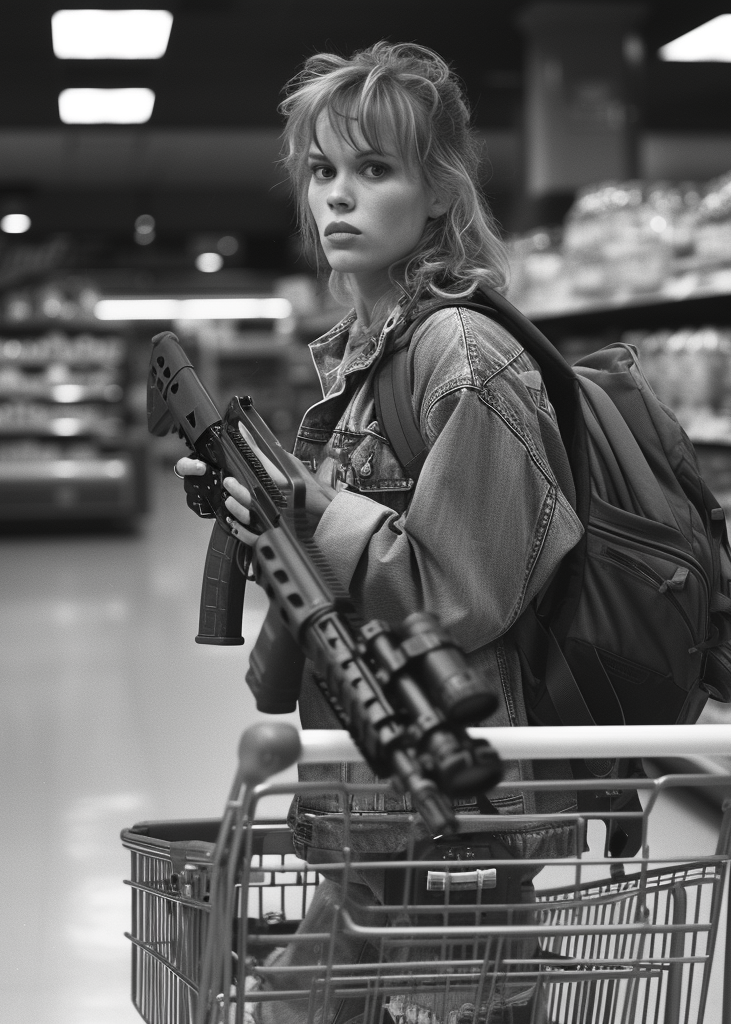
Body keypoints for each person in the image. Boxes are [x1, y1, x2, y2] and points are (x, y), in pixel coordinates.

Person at [177, 42, 583, 1024]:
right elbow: (353, 566)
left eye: (374, 169)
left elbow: (459, 595)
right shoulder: (370, 345)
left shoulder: (461, 354)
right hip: (377, 795)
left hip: (454, 816)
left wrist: (312, 506)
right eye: (321, 171)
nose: (338, 199)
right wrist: (264, 511)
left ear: (439, 194)